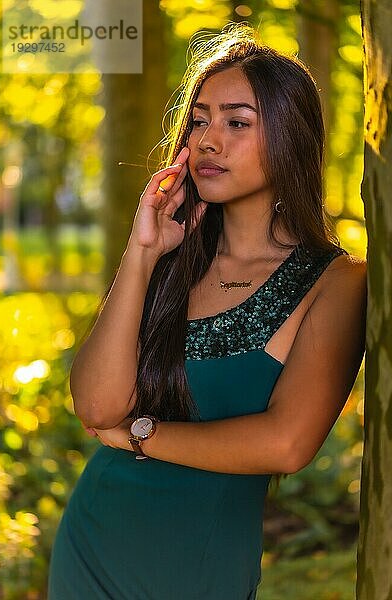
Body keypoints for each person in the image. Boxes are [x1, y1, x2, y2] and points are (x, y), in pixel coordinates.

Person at [47, 22, 367, 600]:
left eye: (237, 122)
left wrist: (140, 436)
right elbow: (96, 404)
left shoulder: (335, 283)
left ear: (290, 137)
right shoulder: (169, 262)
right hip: (92, 552)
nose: (206, 141)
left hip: (200, 574)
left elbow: (287, 444)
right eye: (198, 120)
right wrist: (141, 253)